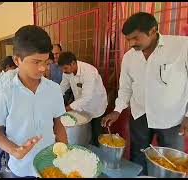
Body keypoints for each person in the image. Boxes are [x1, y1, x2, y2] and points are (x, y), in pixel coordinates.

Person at [101, 12, 188, 175]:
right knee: (138, 155)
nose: (131, 43)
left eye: (135, 38)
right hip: (140, 114)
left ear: (153, 31)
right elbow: (126, 87)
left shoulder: (181, 47)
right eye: (128, 40)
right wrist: (117, 110)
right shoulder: (129, 57)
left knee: (171, 164)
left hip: (171, 118)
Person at [0, 25, 68, 178]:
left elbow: (58, 123)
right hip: (21, 168)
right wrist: (14, 150)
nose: (42, 68)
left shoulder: (53, 89)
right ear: (17, 60)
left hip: (49, 165)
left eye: (46, 62)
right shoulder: (6, 92)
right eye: (36, 62)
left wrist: (64, 150)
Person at [58, 51, 108, 146]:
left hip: (95, 106)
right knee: (85, 132)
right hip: (81, 106)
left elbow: (87, 97)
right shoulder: (67, 72)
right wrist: (55, 100)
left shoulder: (89, 72)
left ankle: (97, 152)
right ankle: (87, 145)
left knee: (97, 133)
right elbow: (63, 86)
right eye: (62, 69)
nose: (63, 71)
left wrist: (66, 108)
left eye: (65, 68)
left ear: (73, 63)